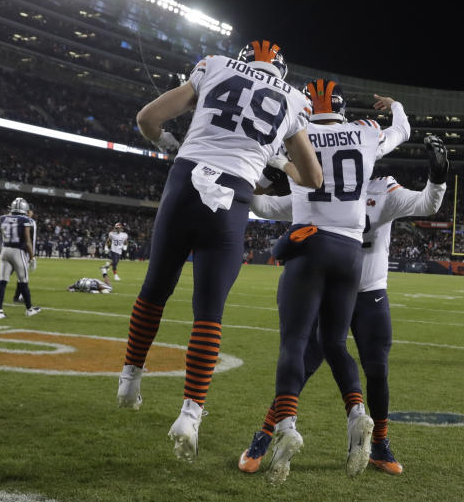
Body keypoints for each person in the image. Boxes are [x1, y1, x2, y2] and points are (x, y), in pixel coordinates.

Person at [114, 41, 323, 464]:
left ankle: (129, 378)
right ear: (280, 71)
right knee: (208, 312)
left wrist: (173, 144)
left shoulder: (215, 65)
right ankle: (189, 415)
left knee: (155, 288)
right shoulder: (293, 98)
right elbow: (313, 178)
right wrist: (276, 161)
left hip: (185, 181)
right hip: (232, 197)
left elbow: (146, 119)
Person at [238, 132, 447, 477]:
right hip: (330, 291)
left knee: (377, 370)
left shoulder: (383, 190)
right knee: (301, 367)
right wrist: (259, 181)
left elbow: (428, 204)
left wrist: (437, 177)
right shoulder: (319, 187)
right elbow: (263, 208)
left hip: (368, 292)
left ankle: (379, 443)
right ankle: (263, 435)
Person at [261, 79, 411, 485]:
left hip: (309, 242)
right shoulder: (364, 131)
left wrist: (277, 164)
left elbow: (271, 158)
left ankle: (287, 425)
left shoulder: (297, 130)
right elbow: (402, 130)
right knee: (334, 343)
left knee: (295, 341)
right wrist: (395, 104)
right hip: (349, 253)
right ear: (342, 107)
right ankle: (358, 414)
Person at [0, 197, 40, 319]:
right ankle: (29, 309)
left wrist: (9, 215)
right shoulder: (26, 219)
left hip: (5, 250)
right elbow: (28, 240)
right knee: (23, 281)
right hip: (18, 252)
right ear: (24, 208)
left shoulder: (3, 218)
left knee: (2, 281)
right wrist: (32, 257)